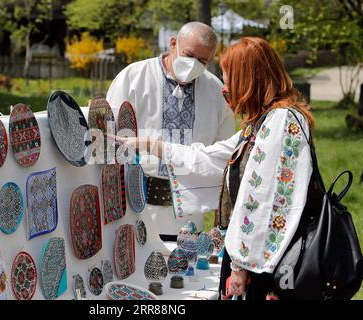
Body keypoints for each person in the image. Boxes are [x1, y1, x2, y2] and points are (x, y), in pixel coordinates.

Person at [117, 37, 315, 300]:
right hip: (260, 261)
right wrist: (151, 145)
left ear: (248, 80)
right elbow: (212, 157)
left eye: (230, 78)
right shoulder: (264, 122)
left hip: (268, 264)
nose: (227, 88)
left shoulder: (280, 122)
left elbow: (263, 200)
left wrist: (242, 267)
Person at [106, 22, 235, 243]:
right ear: (173, 43)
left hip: (188, 212)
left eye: (202, 61)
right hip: (134, 204)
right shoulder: (133, 77)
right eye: (189, 55)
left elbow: (223, 161)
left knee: (182, 273)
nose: (194, 64)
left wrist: (220, 223)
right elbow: (110, 140)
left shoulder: (216, 92)